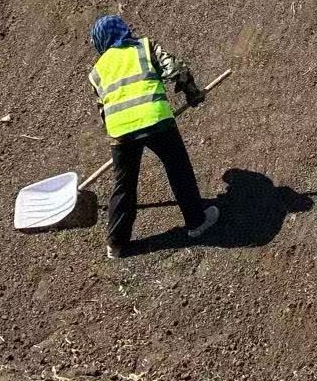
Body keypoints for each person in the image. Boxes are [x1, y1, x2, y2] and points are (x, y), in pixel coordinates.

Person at [88, 14, 219, 258]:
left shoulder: (97, 71)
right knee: (177, 168)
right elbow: (176, 69)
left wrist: (119, 135)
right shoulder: (144, 47)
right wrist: (192, 93)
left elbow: (103, 110)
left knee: (124, 185)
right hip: (154, 118)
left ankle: (116, 244)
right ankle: (197, 222)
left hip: (120, 130)